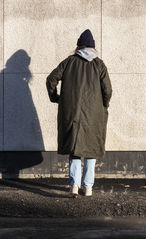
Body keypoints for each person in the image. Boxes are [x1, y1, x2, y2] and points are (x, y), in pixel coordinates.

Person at [46, 29, 112, 197]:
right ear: (93, 47)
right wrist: (104, 105)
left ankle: (74, 186)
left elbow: (51, 79)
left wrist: (56, 98)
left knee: (74, 149)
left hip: (72, 113)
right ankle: (88, 187)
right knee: (91, 149)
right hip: (94, 113)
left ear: (78, 46)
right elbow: (108, 89)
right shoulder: (99, 64)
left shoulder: (69, 62)